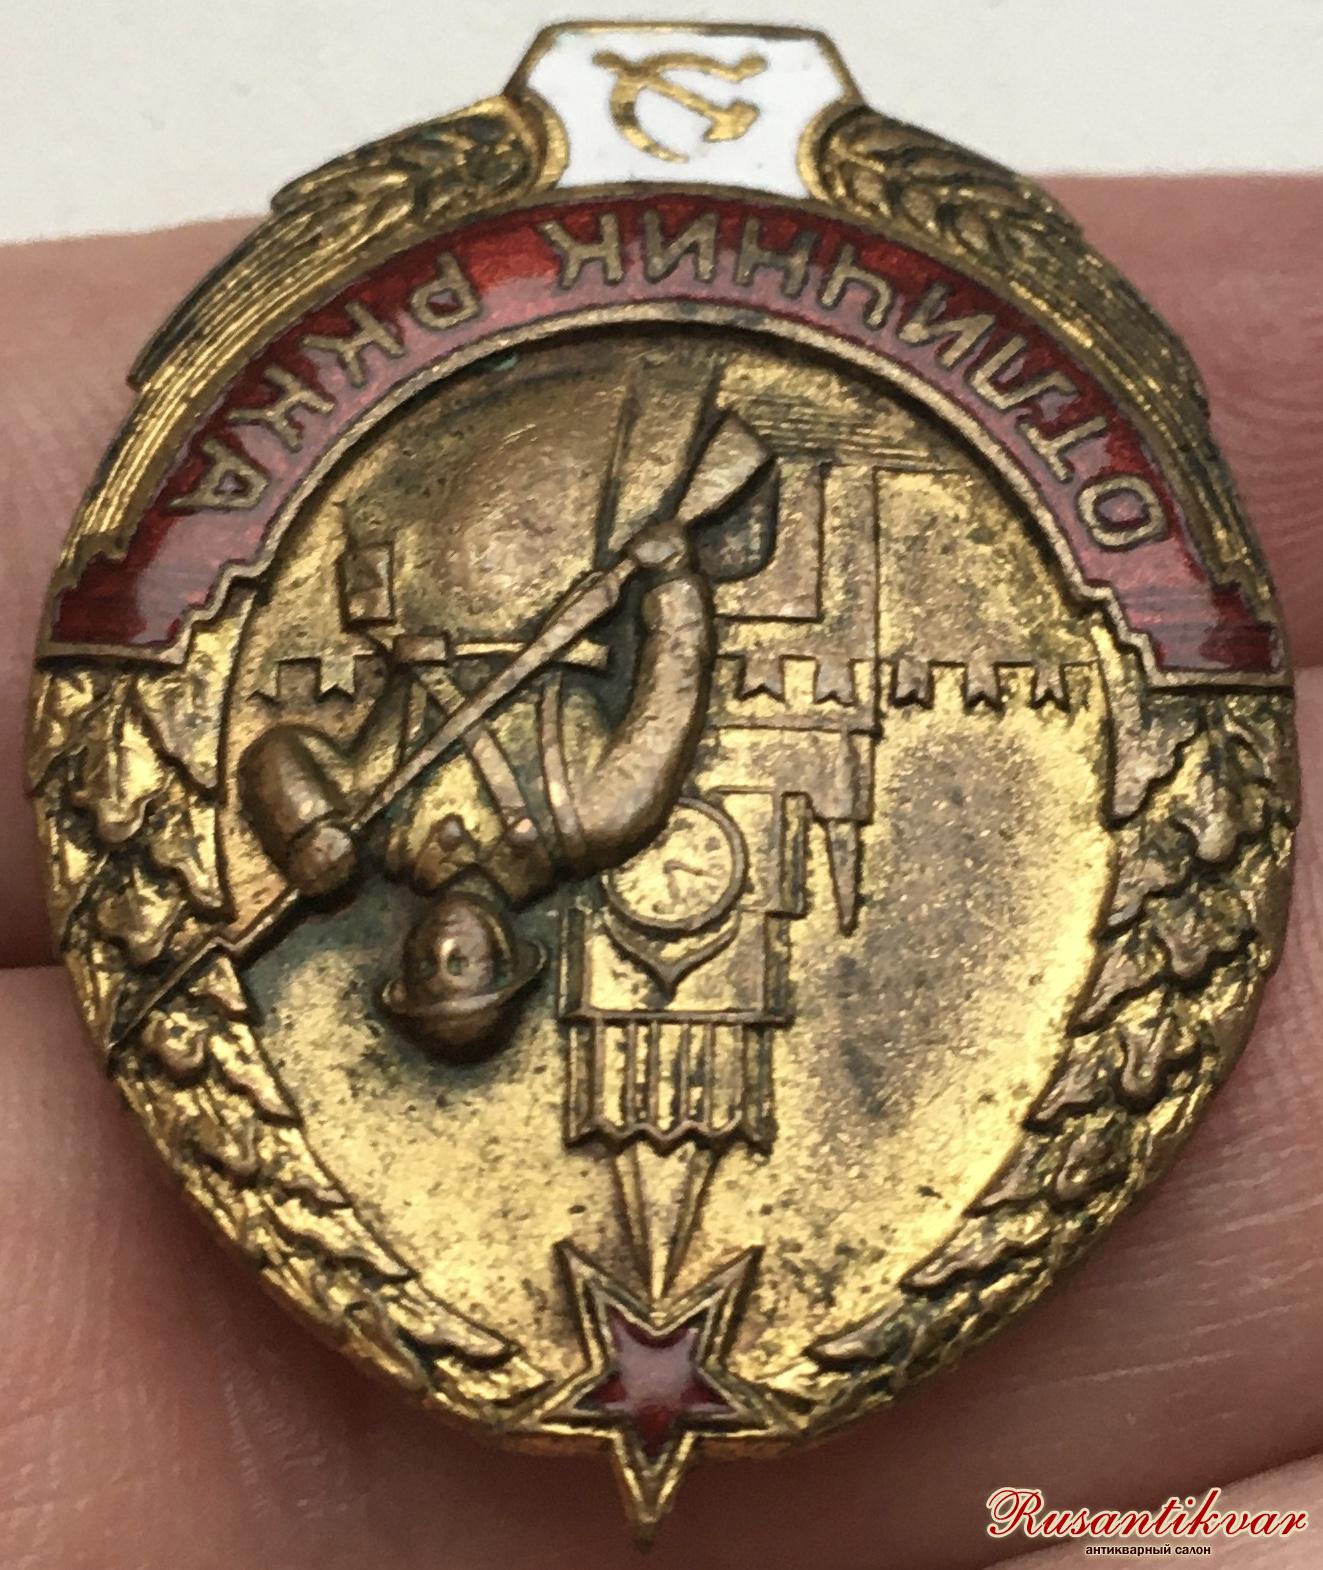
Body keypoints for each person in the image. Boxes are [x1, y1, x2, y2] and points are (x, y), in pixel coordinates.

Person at [2, 178, 1321, 1569]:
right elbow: (668, 707)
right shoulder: (582, 826)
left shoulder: (380, 843)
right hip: (555, 569)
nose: (445, 953)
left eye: (428, 971)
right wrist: (674, 587)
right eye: (469, 974)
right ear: (509, 961)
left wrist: (303, 821)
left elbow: (277, 751)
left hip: (474, 560)